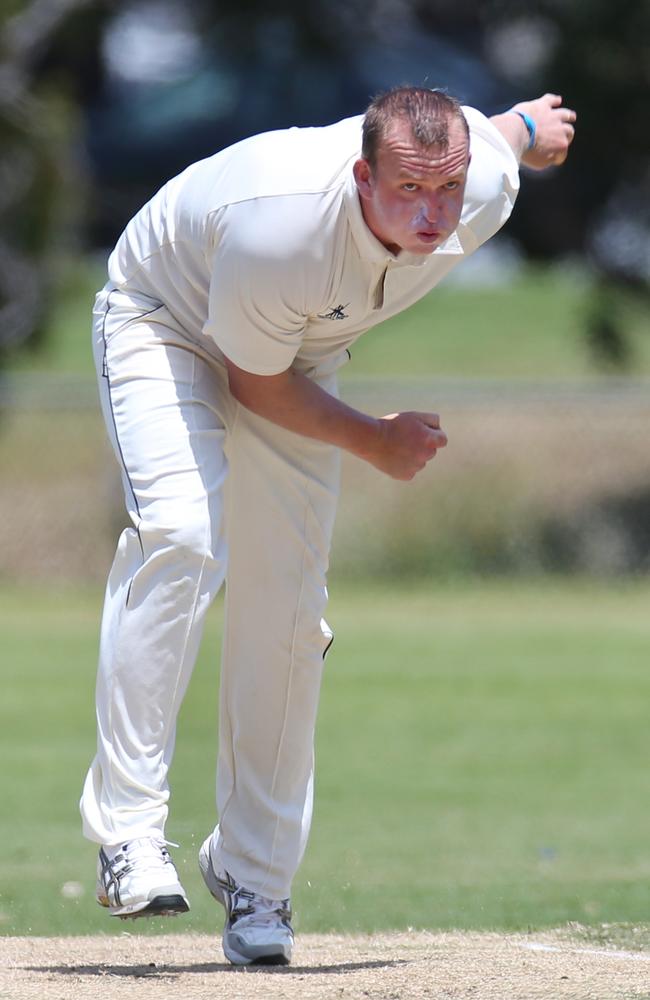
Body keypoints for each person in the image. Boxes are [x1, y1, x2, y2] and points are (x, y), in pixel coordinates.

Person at [81, 86, 575, 965]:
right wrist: (375, 442)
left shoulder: (480, 186)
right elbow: (253, 387)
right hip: (167, 323)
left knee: (290, 617)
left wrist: (531, 129)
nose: (433, 214)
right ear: (360, 177)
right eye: (410, 190)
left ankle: (254, 878)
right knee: (186, 538)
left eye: (447, 190)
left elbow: (500, 137)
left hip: (293, 349)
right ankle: (128, 835)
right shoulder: (284, 225)